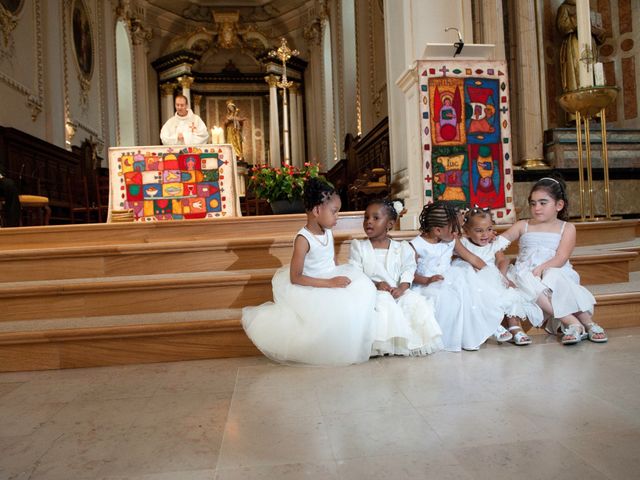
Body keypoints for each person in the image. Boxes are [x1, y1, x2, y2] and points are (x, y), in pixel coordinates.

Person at [241, 177, 377, 365]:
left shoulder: (327, 230)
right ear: (316, 210)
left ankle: (356, 341)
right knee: (335, 307)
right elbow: (295, 277)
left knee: (362, 289)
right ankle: (327, 347)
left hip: (329, 275)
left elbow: (332, 260)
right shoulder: (303, 239)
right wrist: (329, 283)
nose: (337, 216)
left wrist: (336, 275)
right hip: (311, 282)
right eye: (334, 212)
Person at [501, 177, 606, 345]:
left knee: (556, 279)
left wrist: (542, 268)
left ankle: (586, 323)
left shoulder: (567, 228)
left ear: (559, 205)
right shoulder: (523, 225)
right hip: (525, 272)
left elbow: (561, 257)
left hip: (555, 268)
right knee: (527, 279)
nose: (537, 208)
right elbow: (501, 242)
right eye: (533, 203)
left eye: (543, 203)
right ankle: (575, 323)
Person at [349, 199, 443, 356]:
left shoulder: (402, 248)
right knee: (383, 304)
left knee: (416, 302)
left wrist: (402, 288)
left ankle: (406, 343)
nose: (369, 222)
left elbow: (408, 269)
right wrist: (376, 284)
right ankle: (381, 344)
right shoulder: (359, 247)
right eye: (366, 218)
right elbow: (355, 273)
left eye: (375, 218)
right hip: (372, 292)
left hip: (397, 291)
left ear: (390, 224)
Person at [410, 201, 501, 352]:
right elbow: (409, 274)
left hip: (449, 278)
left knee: (467, 283)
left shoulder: (451, 239)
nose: (457, 234)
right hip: (425, 284)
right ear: (438, 230)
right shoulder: (416, 245)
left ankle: (483, 329)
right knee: (446, 297)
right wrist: (426, 280)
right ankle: (449, 339)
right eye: (454, 230)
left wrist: (495, 276)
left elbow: (472, 258)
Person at [455, 207, 544, 346]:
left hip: (494, 275)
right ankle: (492, 325)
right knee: (481, 296)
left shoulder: (493, 243)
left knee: (510, 293)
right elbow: (459, 260)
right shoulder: (464, 243)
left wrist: (501, 277)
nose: (485, 234)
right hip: (475, 279)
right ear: (467, 231)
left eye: (489, 229)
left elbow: (503, 260)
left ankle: (515, 328)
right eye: (479, 231)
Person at [557, 0, 606, 93]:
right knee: (578, 69)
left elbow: (601, 36)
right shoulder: (565, 7)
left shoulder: (591, 10)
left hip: (592, 44)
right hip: (575, 43)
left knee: (592, 70)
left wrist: (598, 31)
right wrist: (579, 18)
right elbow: (562, 26)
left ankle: (595, 92)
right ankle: (578, 92)